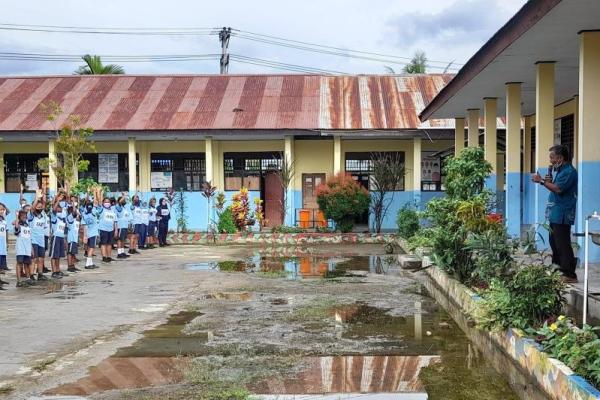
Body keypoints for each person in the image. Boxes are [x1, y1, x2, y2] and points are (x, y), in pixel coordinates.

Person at [532, 144, 578, 283]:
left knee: (562, 243)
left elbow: (558, 189)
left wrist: (541, 181)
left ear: (560, 157)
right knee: (554, 242)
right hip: (555, 213)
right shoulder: (561, 171)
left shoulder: (569, 172)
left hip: (563, 213)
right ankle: (557, 269)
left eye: (552, 157)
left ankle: (569, 274)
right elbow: (553, 187)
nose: (550, 160)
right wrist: (546, 181)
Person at [28, 191, 49, 282]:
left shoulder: (43, 216)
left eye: (41, 207)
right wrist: (37, 197)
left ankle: (40, 274)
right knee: (34, 258)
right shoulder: (31, 216)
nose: (40, 208)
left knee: (41, 258)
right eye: (38, 206)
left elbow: (44, 204)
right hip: (33, 240)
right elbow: (32, 209)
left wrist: (43, 195)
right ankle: (32, 275)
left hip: (41, 239)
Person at [49, 195, 68, 279]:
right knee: (54, 255)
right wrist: (58, 201)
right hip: (55, 237)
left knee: (59, 255)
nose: (59, 209)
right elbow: (53, 210)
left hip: (60, 238)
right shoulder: (54, 217)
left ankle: (58, 270)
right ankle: (54, 272)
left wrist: (64, 239)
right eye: (58, 208)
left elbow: (63, 231)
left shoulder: (62, 220)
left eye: (60, 208)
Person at [14, 210, 33, 287]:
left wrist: (31, 248)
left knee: (27, 264)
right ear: (19, 217)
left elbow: (29, 238)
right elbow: (16, 227)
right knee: (19, 264)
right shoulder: (19, 225)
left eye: (25, 216)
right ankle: (19, 281)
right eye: (22, 217)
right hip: (20, 249)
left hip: (27, 248)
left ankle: (28, 278)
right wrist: (16, 217)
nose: (24, 218)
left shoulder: (27, 226)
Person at [97, 195, 117, 263]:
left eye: (108, 202)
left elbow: (115, 221)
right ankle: (104, 257)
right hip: (103, 229)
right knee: (103, 243)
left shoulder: (113, 211)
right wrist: (98, 193)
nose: (107, 203)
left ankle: (109, 257)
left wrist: (116, 230)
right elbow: (98, 203)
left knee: (109, 244)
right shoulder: (101, 209)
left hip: (111, 229)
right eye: (105, 202)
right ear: (103, 203)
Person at [81, 199, 99, 269]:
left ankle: (90, 263)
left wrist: (85, 236)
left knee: (89, 248)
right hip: (93, 233)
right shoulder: (94, 212)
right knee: (92, 248)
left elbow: (84, 226)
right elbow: (96, 205)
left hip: (88, 234)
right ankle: (87, 264)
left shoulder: (84, 214)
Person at [66, 205, 81, 272]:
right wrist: (73, 204)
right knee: (70, 252)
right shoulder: (69, 217)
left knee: (73, 253)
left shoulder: (76, 219)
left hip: (75, 239)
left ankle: (72, 265)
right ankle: (69, 266)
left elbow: (79, 216)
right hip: (71, 239)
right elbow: (74, 212)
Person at [0, 203, 9, 290]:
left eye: (3, 209)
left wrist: (6, 242)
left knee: (1, 266)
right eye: (0, 209)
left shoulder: (3, 220)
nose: (2, 211)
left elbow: (6, 232)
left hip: (2, 246)